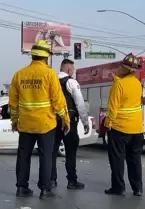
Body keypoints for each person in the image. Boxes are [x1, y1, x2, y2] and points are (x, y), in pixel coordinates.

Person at [9, 40, 70, 199]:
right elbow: (58, 100)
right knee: (46, 156)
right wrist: (66, 119)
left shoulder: (19, 74)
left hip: (25, 124)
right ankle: (45, 190)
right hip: (45, 124)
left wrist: (14, 120)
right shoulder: (50, 74)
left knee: (23, 156)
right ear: (46, 58)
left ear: (33, 56)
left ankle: (22, 188)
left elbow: (13, 103)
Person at [104, 53, 144, 196]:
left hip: (120, 128)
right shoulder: (138, 84)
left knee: (117, 159)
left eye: (121, 66)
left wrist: (108, 122)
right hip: (137, 129)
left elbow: (113, 107)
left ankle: (118, 188)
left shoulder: (118, 85)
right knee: (135, 159)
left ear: (125, 69)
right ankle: (137, 188)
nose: (119, 67)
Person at [50, 59, 89, 189]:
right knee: (71, 152)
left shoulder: (51, 80)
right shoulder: (71, 82)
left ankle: (51, 180)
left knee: (52, 152)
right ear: (68, 69)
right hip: (69, 123)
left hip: (52, 122)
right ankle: (72, 180)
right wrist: (85, 122)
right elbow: (80, 104)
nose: (73, 71)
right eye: (73, 69)